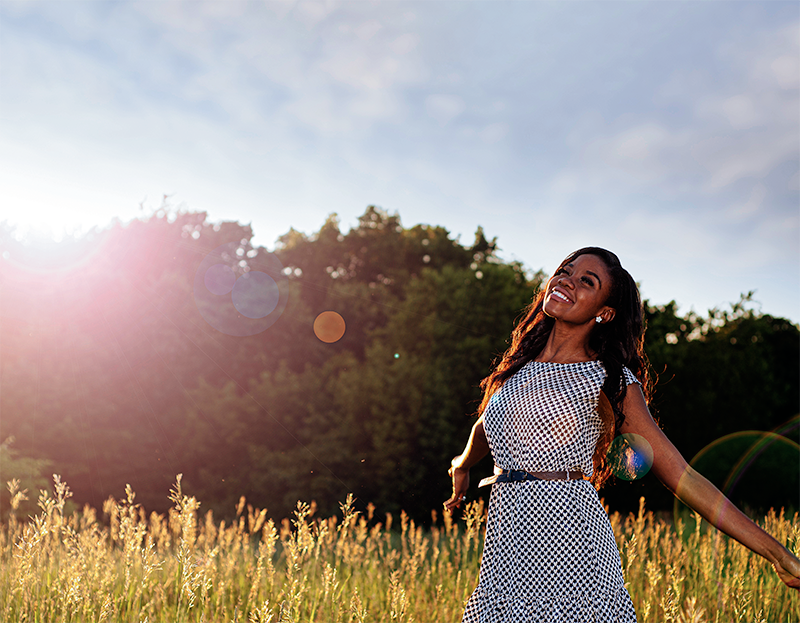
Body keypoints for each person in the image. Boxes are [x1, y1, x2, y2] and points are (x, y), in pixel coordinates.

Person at [444, 247, 800, 622]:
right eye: (566, 270)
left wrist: (776, 553)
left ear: (605, 312)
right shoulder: (515, 371)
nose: (567, 279)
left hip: (571, 551)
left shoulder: (609, 382)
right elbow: (488, 425)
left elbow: (682, 475)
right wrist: (463, 465)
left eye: (587, 281)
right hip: (506, 551)